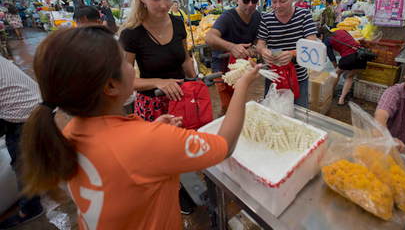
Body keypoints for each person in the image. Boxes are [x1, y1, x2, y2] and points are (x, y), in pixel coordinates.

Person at [19, 26, 260, 230]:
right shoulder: (149, 140)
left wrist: (151, 132)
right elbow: (225, 146)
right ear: (111, 87)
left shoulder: (71, 131)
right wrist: (240, 88)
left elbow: (124, 170)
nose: (131, 68)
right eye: (124, 62)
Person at [119, 0, 196, 122]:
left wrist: (196, 85)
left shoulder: (178, 24)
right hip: (152, 105)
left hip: (181, 99)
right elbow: (125, 81)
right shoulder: (131, 33)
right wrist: (158, 82)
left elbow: (186, 61)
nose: (163, 5)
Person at [256, 0, 317, 108]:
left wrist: (292, 54)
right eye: (274, 2)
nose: (278, 6)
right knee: (273, 114)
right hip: (273, 77)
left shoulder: (304, 15)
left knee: (299, 115)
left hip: (298, 78)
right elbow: (260, 44)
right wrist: (263, 51)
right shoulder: (267, 19)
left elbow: (312, 45)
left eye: (283, 1)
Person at [0, 57, 44, 229]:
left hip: (25, 115)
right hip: (37, 106)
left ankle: (31, 208)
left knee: (21, 164)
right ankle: (45, 179)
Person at [205, 0, 261, 117]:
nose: (250, 5)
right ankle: (220, 132)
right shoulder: (227, 17)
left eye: (254, 1)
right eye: (246, 1)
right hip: (222, 67)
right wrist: (231, 47)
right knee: (227, 106)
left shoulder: (257, 16)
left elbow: (258, 38)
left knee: (237, 103)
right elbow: (209, 38)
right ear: (237, 0)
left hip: (240, 68)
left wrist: (254, 47)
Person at [317, 27, 367, 106]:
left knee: (336, 73)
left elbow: (331, 57)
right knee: (350, 76)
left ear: (321, 35)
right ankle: (341, 100)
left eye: (319, 37)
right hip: (361, 56)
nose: (320, 39)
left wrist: (335, 65)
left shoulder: (327, 40)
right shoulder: (341, 31)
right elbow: (351, 40)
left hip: (348, 57)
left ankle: (330, 94)